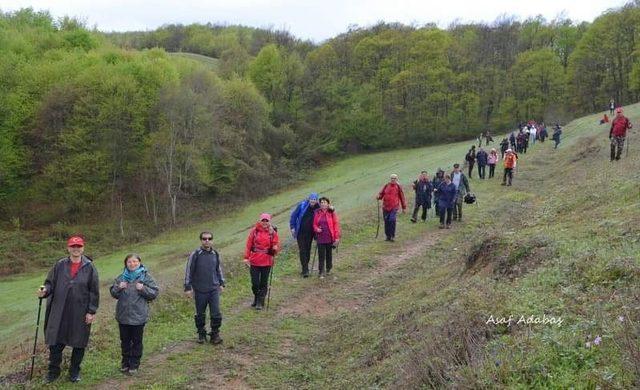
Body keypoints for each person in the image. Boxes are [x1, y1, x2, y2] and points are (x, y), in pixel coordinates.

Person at [37, 235, 99, 383]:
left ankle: (74, 372)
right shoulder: (59, 265)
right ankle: (53, 373)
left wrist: (91, 311)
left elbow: (94, 291)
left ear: (83, 248)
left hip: (80, 312)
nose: (76, 249)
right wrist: (44, 290)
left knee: (79, 343)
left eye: (78, 246)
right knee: (55, 343)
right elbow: (49, 284)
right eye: (73, 246)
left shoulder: (90, 267)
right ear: (68, 248)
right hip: (59, 311)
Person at [110, 254, 159, 374]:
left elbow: (154, 293)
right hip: (123, 316)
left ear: (140, 263)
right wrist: (119, 288)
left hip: (139, 316)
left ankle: (134, 364)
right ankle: (125, 362)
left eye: (135, 262)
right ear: (126, 264)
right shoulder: (121, 277)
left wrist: (143, 289)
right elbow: (113, 293)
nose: (132, 264)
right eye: (129, 262)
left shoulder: (146, 277)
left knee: (137, 341)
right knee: (125, 341)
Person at [184, 231, 225, 344]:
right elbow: (189, 271)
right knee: (200, 313)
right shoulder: (195, 254)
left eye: (209, 238)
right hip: (200, 289)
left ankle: (215, 334)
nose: (207, 241)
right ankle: (201, 333)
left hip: (214, 289)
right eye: (204, 238)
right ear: (201, 240)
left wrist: (222, 283)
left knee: (216, 313)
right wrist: (188, 287)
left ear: (212, 240)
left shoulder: (215, 254)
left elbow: (218, 269)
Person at [244, 214, 280, 310]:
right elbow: (248, 245)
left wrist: (275, 249)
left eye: (266, 221)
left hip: (266, 261)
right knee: (255, 283)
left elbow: (276, 244)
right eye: (263, 220)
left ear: (269, 222)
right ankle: (256, 297)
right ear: (260, 221)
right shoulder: (254, 231)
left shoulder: (272, 232)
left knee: (263, 282)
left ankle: (260, 301)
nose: (265, 222)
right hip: (255, 260)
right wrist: (246, 257)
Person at [289, 193, 320, 277]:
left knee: (307, 250)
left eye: (314, 199)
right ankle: (305, 269)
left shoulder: (318, 208)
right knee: (302, 250)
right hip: (300, 232)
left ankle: (305, 267)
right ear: (309, 199)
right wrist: (292, 227)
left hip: (310, 233)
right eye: (311, 199)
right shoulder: (302, 205)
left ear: (317, 200)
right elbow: (293, 216)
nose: (313, 201)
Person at [312, 197, 341, 279]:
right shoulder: (317, 213)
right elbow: (314, 224)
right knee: (321, 255)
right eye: (322, 202)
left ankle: (328, 268)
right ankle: (321, 271)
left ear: (328, 204)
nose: (323, 204)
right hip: (320, 237)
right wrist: (317, 229)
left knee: (329, 254)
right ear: (320, 204)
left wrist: (336, 237)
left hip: (329, 236)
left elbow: (336, 225)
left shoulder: (331, 212)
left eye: (325, 202)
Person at [376, 174, 407, 242]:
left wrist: (404, 207)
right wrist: (378, 197)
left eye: (394, 178)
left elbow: (402, 197)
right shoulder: (386, 185)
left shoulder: (398, 187)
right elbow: (381, 194)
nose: (393, 179)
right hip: (385, 207)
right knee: (386, 221)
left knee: (392, 220)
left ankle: (392, 236)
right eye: (392, 178)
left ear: (397, 179)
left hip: (394, 207)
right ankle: (388, 236)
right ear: (390, 179)